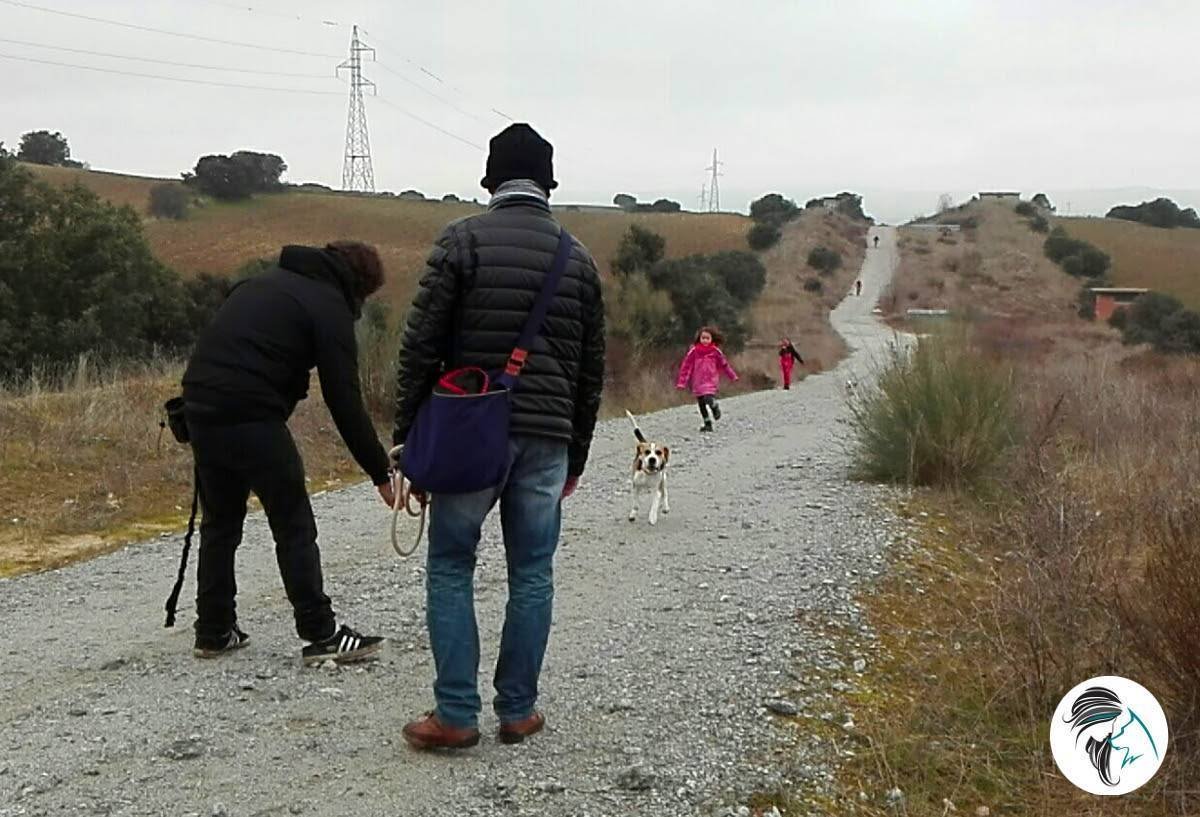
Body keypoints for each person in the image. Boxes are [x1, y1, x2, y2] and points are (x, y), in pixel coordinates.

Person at [391, 123, 606, 750]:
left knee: (452, 565)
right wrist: (578, 456)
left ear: (491, 181)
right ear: (547, 182)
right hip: (547, 437)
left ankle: (455, 714)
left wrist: (408, 439)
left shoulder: (460, 242)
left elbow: (419, 347)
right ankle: (518, 711)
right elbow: (591, 372)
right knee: (532, 575)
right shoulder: (578, 258)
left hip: (467, 435)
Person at [180, 241, 393, 666]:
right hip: (252, 412)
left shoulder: (259, 284)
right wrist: (380, 472)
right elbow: (344, 398)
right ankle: (321, 633)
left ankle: (214, 630)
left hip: (198, 406)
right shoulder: (328, 303)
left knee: (220, 522)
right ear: (358, 287)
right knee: (293, 522)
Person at [676, 326, 739, 432]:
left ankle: (714, 407)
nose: (705, 340)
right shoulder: (694, 351)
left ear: (712, 339)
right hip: (698, 381)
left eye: (707, 338)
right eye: (703, 338)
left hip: (711, 380)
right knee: (701, 403)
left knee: (708, 397)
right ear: (699, 339)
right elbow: (686, 366)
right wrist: (682, 382)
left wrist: (733, 376)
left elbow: (725, 365)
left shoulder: (715, 352)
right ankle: (707, 423)